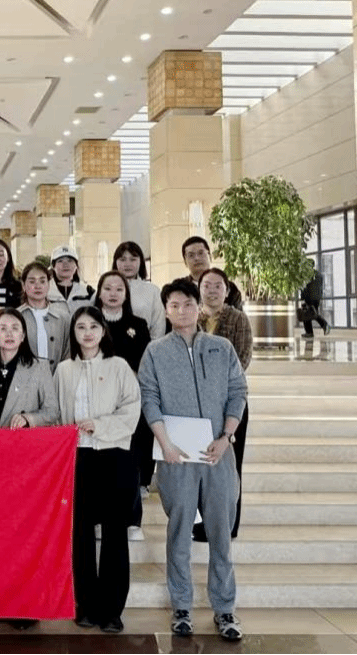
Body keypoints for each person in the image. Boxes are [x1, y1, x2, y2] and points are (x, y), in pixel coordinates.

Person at [138, 278, 248, 642]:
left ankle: (225, 609)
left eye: (188, 304)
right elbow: (149, 397)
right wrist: (165, 443)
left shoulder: (221, 347)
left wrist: (226, 436)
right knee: (179, 532)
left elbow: (238, 391)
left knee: (220, 534)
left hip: (217, 454)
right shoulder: (155, 351)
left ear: (198, 308)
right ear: (165, 311)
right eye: (174, 305)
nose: (182, 311)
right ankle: (181, 607)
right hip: (177, 457)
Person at [53, 306, 141, 634]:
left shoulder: (119, 366)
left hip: (114, 455)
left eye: (93, 326)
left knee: (115, 533)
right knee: (81, 533)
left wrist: (99, 425)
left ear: (103, 331)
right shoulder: (63, 370)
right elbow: (57, 413)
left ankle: (112, 610)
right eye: (81, 327)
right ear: (73, 333)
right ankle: (85, 605)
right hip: (77, 458)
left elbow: (132, 411)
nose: (87, 333)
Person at [0, 306, 58, 631]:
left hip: (26, 466)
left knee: (24, 536)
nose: (8, 334)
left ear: (24, 335)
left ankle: (25, 605)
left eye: (15, 328)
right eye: (2, 328)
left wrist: (29, 418)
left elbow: (53, 411)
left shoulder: (40, 367)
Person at [94, 271, 153, 541]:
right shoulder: (90, 321)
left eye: (119, 289)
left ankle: (132, 521)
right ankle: (99, 519)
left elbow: (145, 363)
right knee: (99, 463)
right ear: (99, 292)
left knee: (129, 461)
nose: (113, 293)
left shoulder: (138, 324)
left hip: (129, 401)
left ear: (126, 294)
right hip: (97, 400)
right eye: (108, 288)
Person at [195, 267, 253, 543]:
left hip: (230, 403)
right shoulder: (192, 317)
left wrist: (214, 384)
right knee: (200, 465)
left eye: (218, 285)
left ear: (227, 290)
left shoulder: (238, 319)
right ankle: (201, 527)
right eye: (207, 285)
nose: (212, 290)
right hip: (196, 405)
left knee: (230, 467)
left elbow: (242, 358)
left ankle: (229, 525)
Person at [18, 261, 70, 373]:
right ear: (23, 285)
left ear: (48, 285)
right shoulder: (16, 317)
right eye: (32, 281)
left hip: (56, 378)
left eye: (42, 281)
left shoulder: (63, 317)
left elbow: (68, 353)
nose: (38, 286)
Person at [113, 241, 165, 339]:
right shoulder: (105, 290)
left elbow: (158, 326)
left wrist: (153, 347)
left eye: (133, 259)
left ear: (141, 261)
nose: (127, 264)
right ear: (115, 262)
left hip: (144, 344)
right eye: (122, 259)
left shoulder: (152, 291)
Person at [180, 237, 242, 309]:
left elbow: (238, 315)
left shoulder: (229, 288)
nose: (197, 258)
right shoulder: (180, 289)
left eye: (201, 253)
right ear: (185, 262)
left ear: (210, 257)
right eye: (191, 255)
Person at [49, 245, 95, 313]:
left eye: (70, 261)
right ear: (53, 266)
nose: (65, 265)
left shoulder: (88, 292)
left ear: (76, 265)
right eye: (60, 261)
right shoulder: (45, 290)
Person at [300, 269, 330, 337]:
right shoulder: (318, 274)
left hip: (309, 297)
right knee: (312, 313)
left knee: (308, 314)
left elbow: (304, 287)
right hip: (317, 298)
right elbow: (320, 287)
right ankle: (310, 332)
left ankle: (324, 325)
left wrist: (302, 297)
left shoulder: (306, 275)